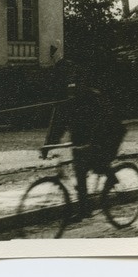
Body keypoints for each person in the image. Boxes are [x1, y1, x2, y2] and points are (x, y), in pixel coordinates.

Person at [44, 60, 126, 218]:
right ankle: (84, 209)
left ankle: (112, 179)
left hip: (107, 135)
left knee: (98, 164)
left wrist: (93, 141)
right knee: (80, 174)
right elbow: (57, 124)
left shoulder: (93, 97)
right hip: (82, 141)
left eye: (73, 83)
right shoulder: (66, 100)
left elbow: (106, 120)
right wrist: (47, 145)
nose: (71, 87)